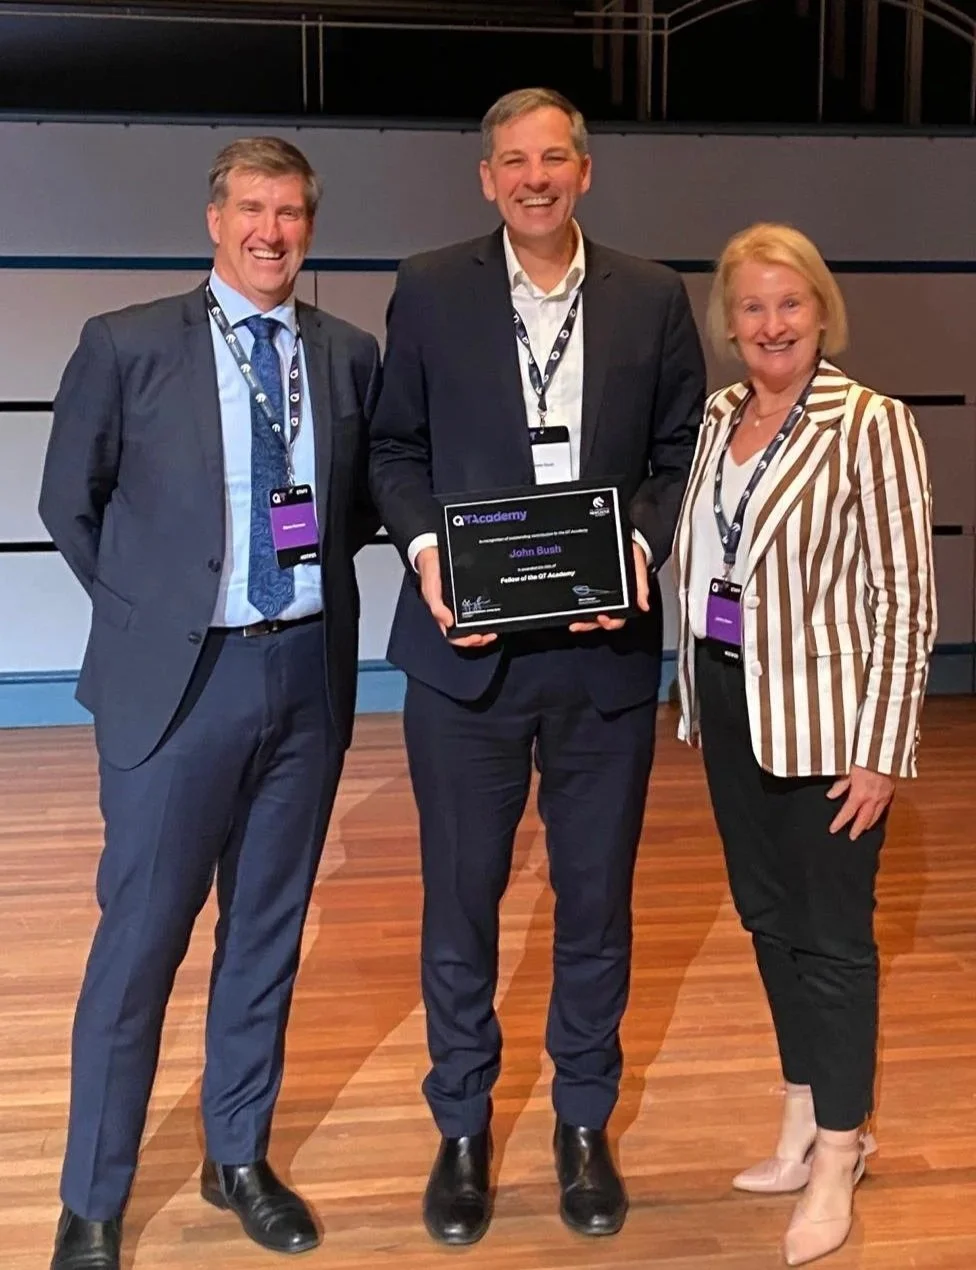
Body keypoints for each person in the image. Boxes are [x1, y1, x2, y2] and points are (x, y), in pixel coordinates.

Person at [369, 87, 705, 1245]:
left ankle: (580, 1122)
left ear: (585, 170)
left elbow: (678, 453)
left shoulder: (654, 296)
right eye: (512, 161)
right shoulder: (426, 286)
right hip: (464, 663)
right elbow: (393, 447)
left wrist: (643, 542)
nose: (533, 177)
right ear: (486, 179)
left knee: (596, 906)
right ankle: (461, 1125)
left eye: (553, 157)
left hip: (601, 660)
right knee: (460, 906)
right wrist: (424, 554)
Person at [39, 136, 380, 1270]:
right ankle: (92, 1200)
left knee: (265, 937)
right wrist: (156, 621)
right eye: (250, 208)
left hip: (302, 677)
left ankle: (238, 1154)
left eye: (289, 213)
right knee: (138, 946)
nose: (269, 231)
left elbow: (361, 507)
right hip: (177, 689)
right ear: (213, 218)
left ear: (308, 229)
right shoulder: (127, 344)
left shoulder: (346, 354)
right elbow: (69, 502)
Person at [672, 223, 936, 1266]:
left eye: (789, 304)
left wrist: (879, 749)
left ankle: (840, 1147)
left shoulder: (869, 422)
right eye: (751, 309)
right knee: (768, 921)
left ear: (821, 311)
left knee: (832, 940)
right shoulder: (717, 415)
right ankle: (801, 1112)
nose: (771, 324)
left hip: (831, 726)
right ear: (728, 326)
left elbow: (904, 597)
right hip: (731, 708)